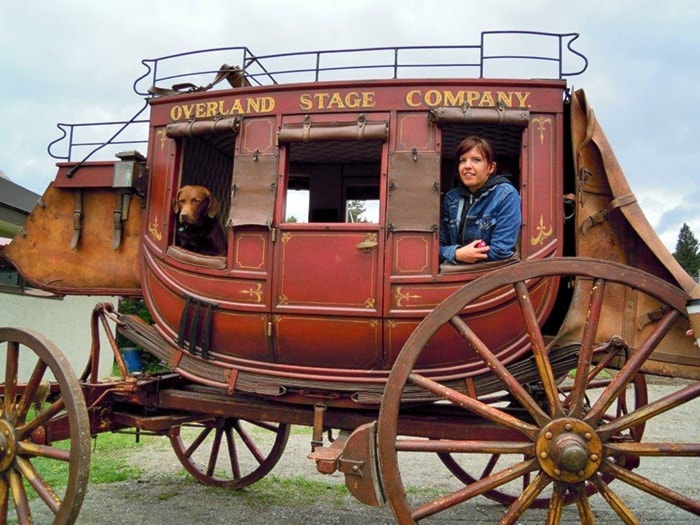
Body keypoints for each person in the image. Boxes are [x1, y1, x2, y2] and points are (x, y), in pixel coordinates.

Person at [440, 136, 521, 264]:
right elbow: (437, 248)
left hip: (490, 276)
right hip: (453, 273)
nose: (467, 166)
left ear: (490, 167)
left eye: (476, 160)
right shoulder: (451, 198)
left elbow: (501, 250)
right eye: (462, 160)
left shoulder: (506, 195)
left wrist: (465, 255)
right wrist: (456, 253)